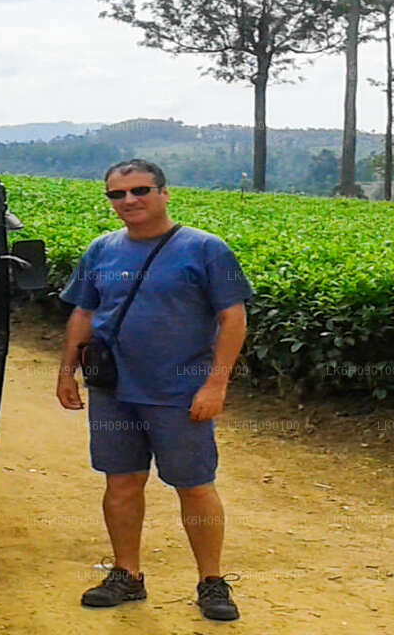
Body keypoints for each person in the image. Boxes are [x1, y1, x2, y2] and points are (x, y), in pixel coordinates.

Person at [55, 159, 251, 622]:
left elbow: (233, 318)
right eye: (117, 194)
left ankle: (211, 581)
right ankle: (127, 574)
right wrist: (67, 371)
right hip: (113, 390)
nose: (129, 201)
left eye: (140, 190)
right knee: (121, 482)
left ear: (164, 193)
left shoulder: (206, 249)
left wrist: (216, 384)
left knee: (194, 486)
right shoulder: (101, 250)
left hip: (180, 392)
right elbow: (84, 314)